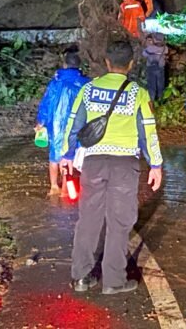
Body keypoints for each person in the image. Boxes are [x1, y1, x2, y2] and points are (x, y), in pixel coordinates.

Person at [60, 41, 163, 295]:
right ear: (131, 63)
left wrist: (66, 154)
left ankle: (81, 277)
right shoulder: (138, 93)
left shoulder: (89, 89)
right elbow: (147, 131)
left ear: (107, 62)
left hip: (93, 163)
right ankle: (113, 281)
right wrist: (156, 164)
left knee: (88, 220)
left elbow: (73, 124)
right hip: (124, 164)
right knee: (119, 221)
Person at [34, 50, 89, 195]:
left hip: (56, 123)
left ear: (64, 65)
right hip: (77, 124)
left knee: (54, 155)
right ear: (79, 66)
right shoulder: (86, 83)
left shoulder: (55, 83)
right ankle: (66, 187)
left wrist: (41, 122)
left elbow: (46, 103)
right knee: (70, 154)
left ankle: (53, 186)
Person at [142, 33, 168, 101]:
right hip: (161, 68)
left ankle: (151, 100)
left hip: (151, 68)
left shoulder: (150, 48)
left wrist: (148, 44)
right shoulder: (165, 48)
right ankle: (161, 99)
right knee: (160, 84)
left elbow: (144, 54)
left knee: (151, 85)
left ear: (155, 39)